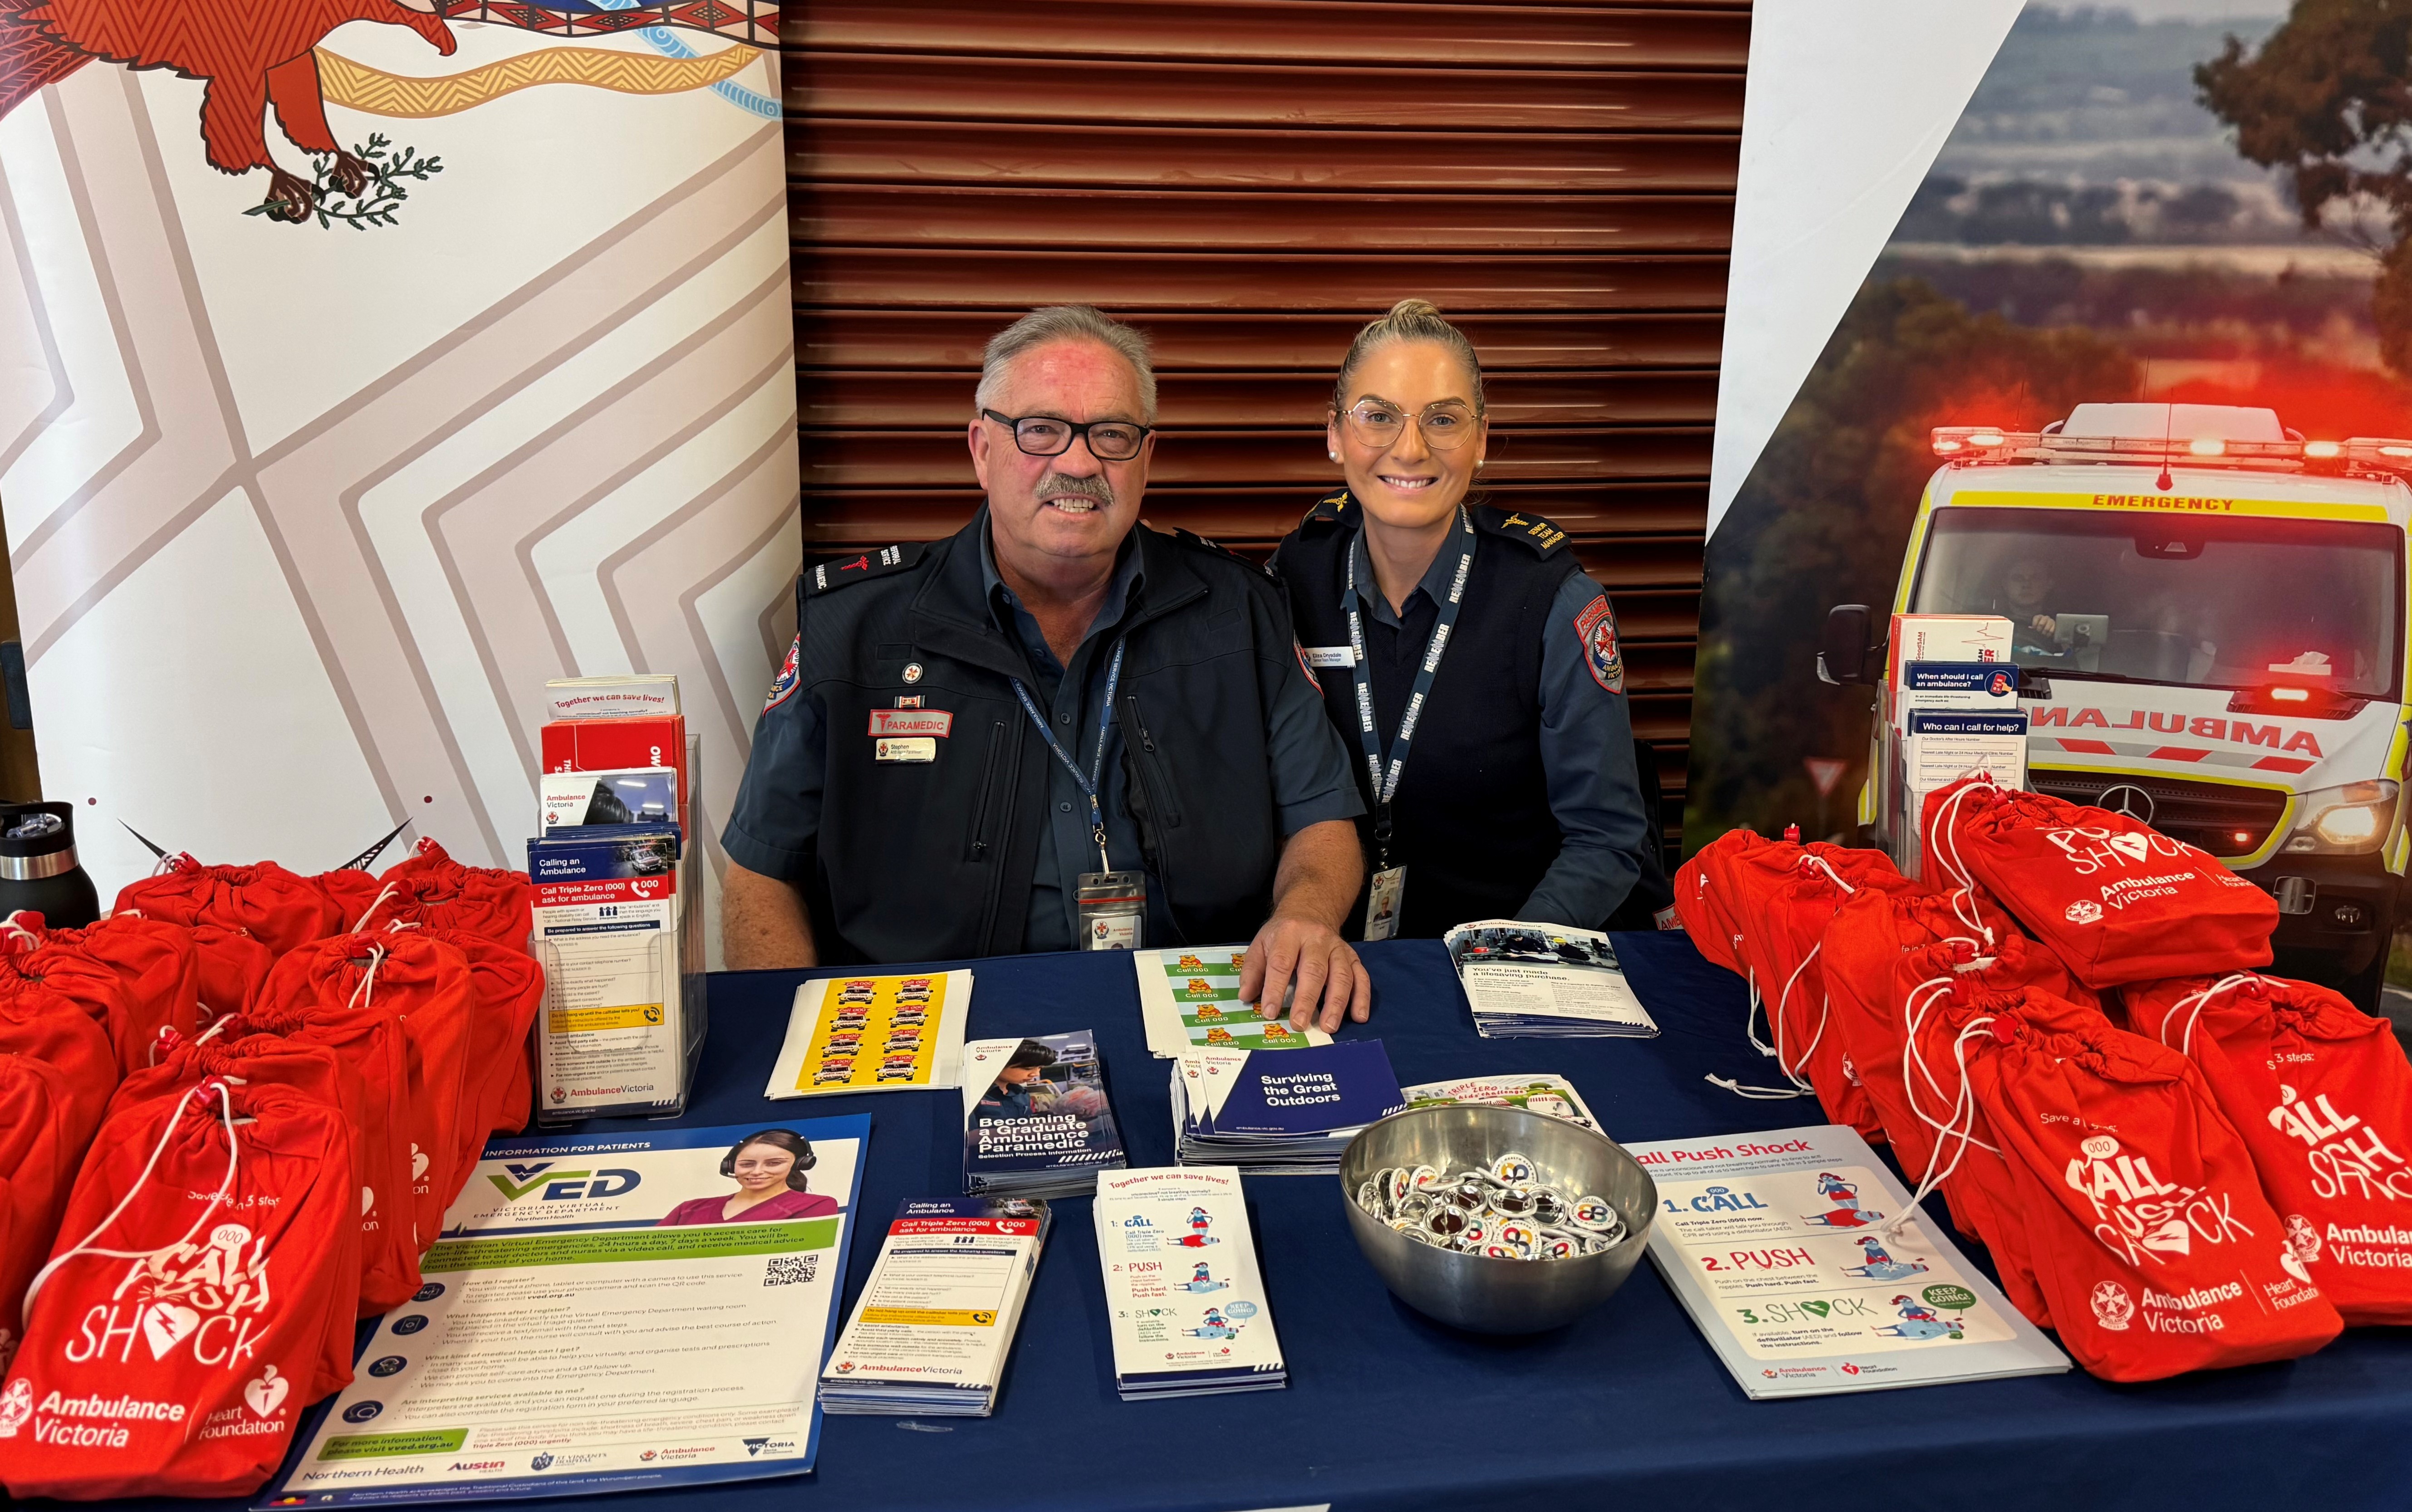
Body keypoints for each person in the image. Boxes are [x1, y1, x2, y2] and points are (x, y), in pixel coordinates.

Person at [722, 305, 1373, 1031]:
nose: (1079, 462)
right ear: (981, 448)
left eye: (1112, 435)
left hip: (1204, 1009)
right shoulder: (853, 629)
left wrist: (1307, 916)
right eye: (1041, 429)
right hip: (923, 1026)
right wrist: (785, 1041)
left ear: (1145, 457)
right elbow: (762, 869)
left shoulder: (1241, 612)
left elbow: (1322, 819)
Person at [1269, 299, 1664, 940]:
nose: (1411, 448)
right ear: (1336, 433)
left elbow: (1607, 838)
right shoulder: (1296, 575)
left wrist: (1506, 958)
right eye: (1378, 417)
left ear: (1480, 439)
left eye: (1443, 420)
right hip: (1341, 953)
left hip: (1516, 952)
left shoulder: (1552, 600)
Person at [657, 1129, 838, 1226]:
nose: (757, 1171)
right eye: (747, 1164)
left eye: (774, 1163)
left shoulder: (817, 1205)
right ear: (730, 1166)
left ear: (800, 1164)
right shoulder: (689, 1209)